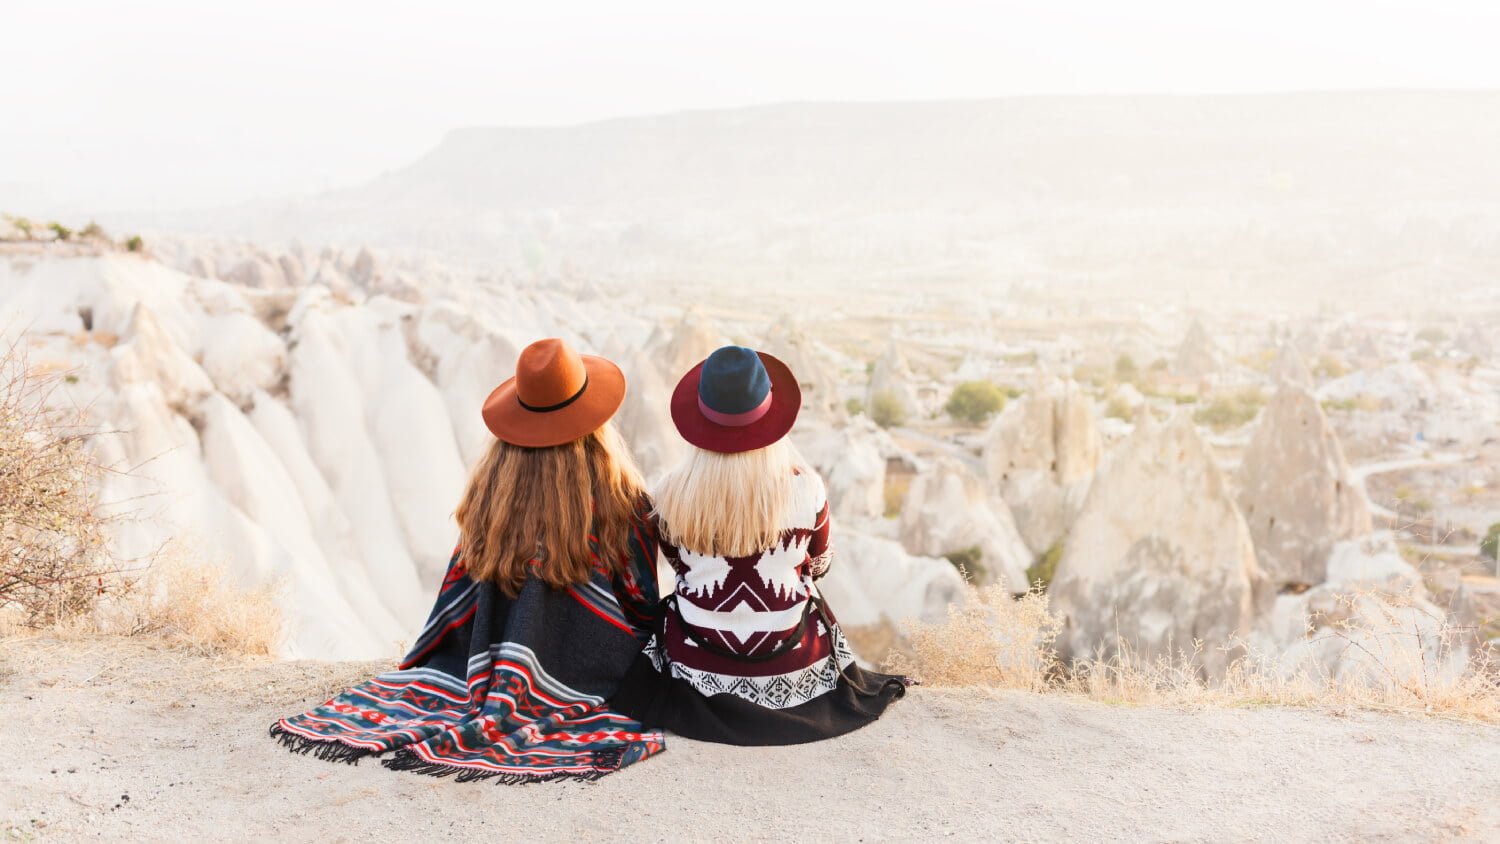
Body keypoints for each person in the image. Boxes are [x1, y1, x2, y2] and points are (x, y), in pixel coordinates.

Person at [271, 338, 664, 783]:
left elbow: (458, 594)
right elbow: (639, 603)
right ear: (594, 422)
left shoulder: (489, 497)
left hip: (477, 663)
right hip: (592, 674)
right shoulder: (622, 504)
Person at [612, 345, 908, 744]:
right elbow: (819, 565)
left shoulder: (669, 494)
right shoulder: (806, 489)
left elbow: (679, 566)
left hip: (696, 666)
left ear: (700, 418)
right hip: (792, 663)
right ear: (770, 416)